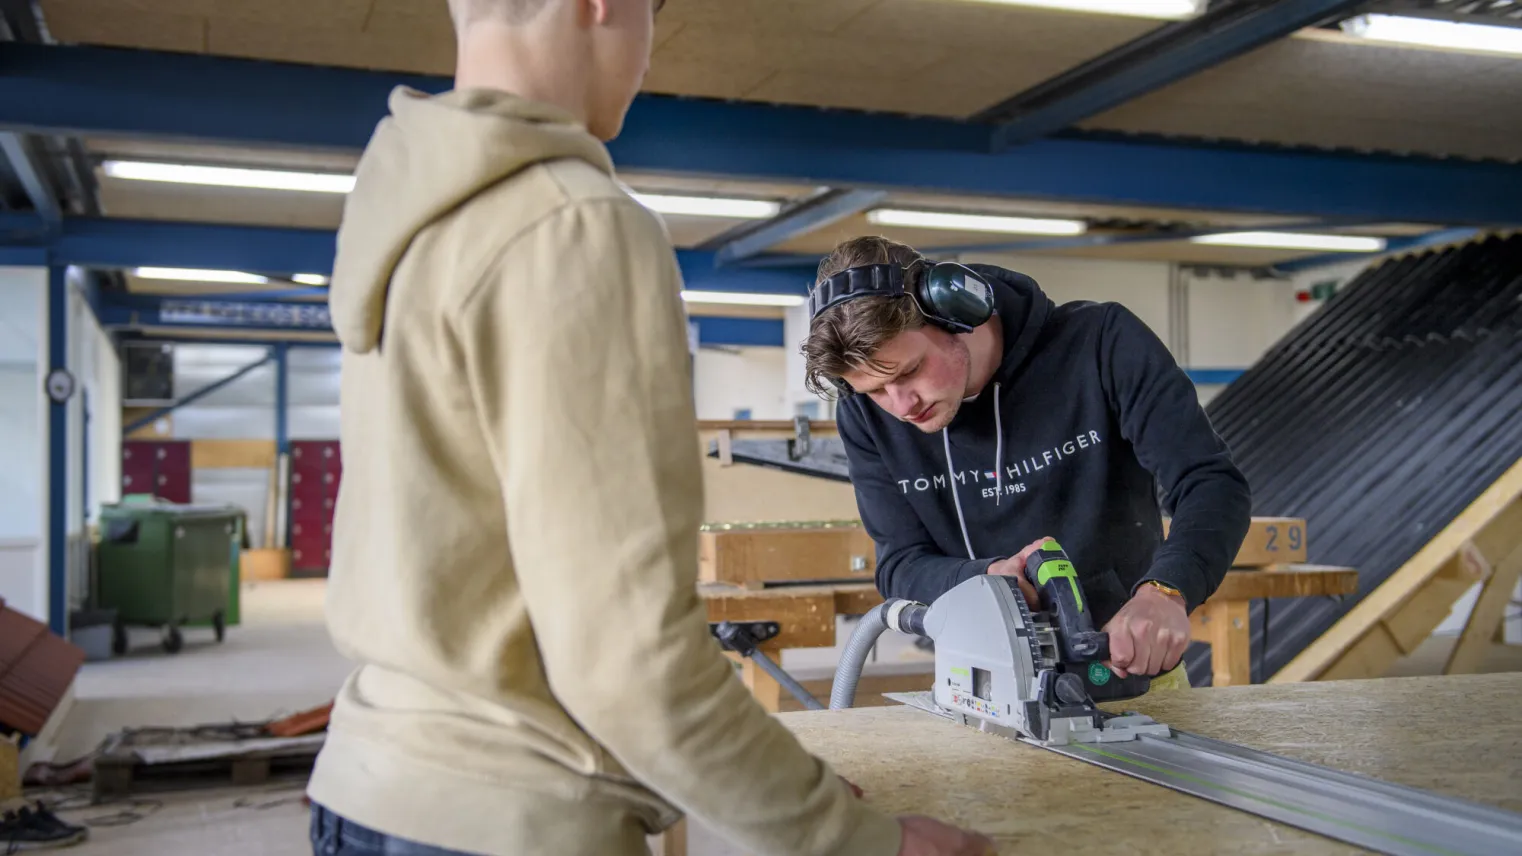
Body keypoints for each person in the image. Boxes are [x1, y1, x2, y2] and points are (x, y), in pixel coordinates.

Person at [305, 2, 995, 855]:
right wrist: (849, 837)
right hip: (512, 817)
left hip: (370, 790)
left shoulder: (409, 218)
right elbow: (626, 657)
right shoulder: (573, 223)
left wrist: (768, 777)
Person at [802, 236, 1252, 686]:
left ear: (958, 313)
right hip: (982, 682)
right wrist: (985, 579)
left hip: (1127, 668)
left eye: (908, 371)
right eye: (875, 390)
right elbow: (900, 563)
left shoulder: (1101, 345)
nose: (901, 406)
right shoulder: (864, 416)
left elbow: (1210, 483)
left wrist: (1167, 591)